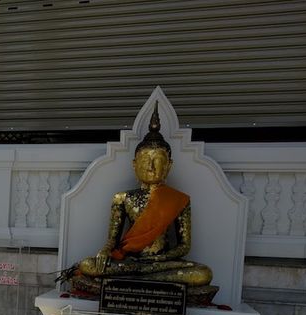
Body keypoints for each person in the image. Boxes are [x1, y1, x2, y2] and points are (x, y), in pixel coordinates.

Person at [59, 102, 215, 303]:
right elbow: (112, 240)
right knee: (89, 265)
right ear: (134, 165)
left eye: (158, 160)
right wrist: (105, 251)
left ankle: (136, 280)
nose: (151, 166)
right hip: (129, 262)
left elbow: (184, 246)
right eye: (144, 160)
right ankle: (148, 281)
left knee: (203, 273)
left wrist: (159, 259)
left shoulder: (179, 200)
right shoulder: (122, 198)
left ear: (169, 166)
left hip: (161, 264)